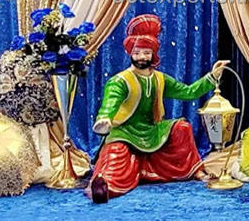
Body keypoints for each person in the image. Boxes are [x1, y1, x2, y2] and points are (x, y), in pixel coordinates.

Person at [86, 14, 229, 202]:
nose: (141, 57)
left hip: (152, 131)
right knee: (116, 153)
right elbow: (109, 103)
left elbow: (188, 92)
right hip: (125, 133)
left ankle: (196, 172)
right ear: (130, 53)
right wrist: (104, 119)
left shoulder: (160, 79)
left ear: (153, 54)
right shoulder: (120, 81)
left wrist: (213, 76)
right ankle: (104, 186)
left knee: (182, 128)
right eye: (137, 52)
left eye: (146, 52)